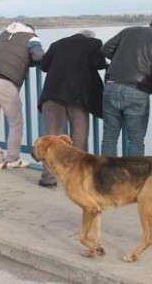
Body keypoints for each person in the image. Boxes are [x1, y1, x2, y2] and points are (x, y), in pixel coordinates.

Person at [100, 11, 152, 157]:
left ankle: (105, 177)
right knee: (136, 139)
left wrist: (119, 61)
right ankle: (133, 178)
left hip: (112, 84)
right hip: (138, 89)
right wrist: (149, 88)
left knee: (109, 137)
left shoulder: (129, 31)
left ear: (151, 24)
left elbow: (105, 49)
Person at [37, 30, 106, 187]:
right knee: (79, 137)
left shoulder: (57, 44)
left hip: (52, 95)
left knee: (52, 138)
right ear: (90, 38)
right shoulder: (92, 44)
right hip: (78, 97)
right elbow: (100, 64)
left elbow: (44, 66)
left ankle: (49, 177)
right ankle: (79, 177)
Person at [0, 22, 45, 170]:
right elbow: (39, 56)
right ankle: (12, 159)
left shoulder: (4, 35)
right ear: (31, 30)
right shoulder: (31, 37)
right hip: (5, 80)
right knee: (16, 122)